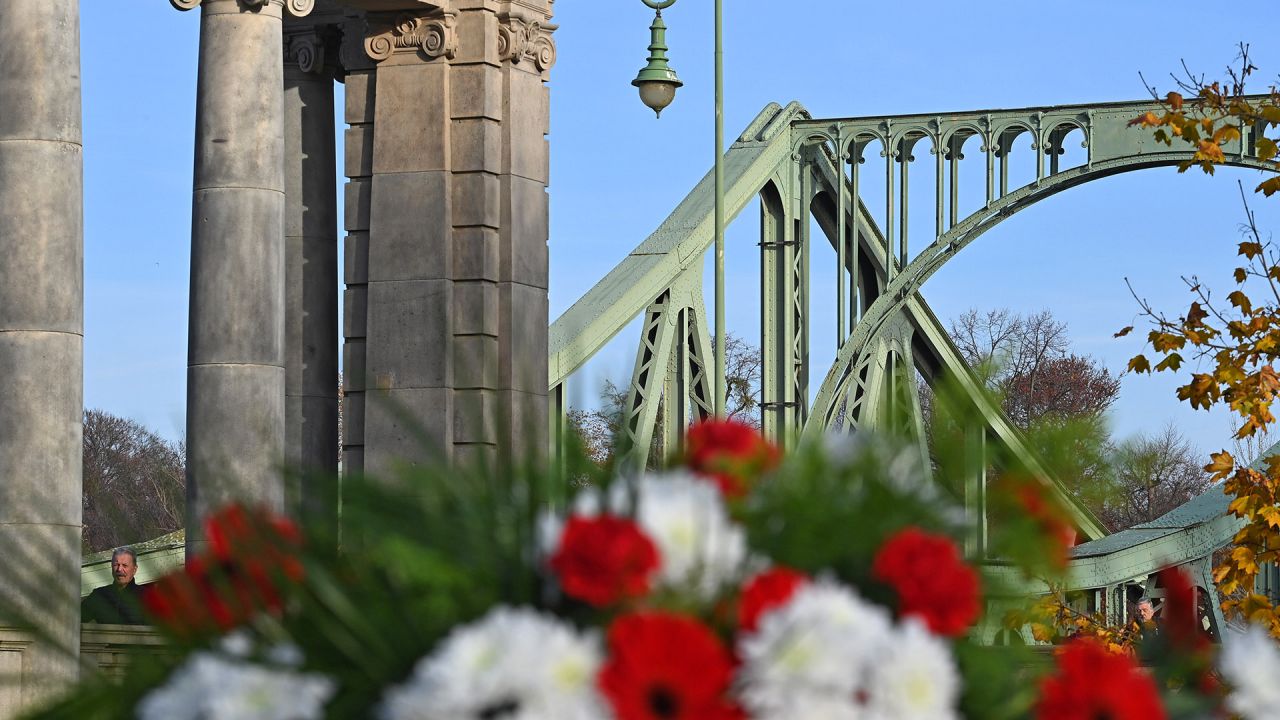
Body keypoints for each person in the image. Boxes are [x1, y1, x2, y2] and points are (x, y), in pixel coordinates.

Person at [81, 547, 147, 625]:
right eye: (116, 565)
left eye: (125, 565)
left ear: (134, 570)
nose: (119, 569)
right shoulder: (99, 595)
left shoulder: (146, 597)